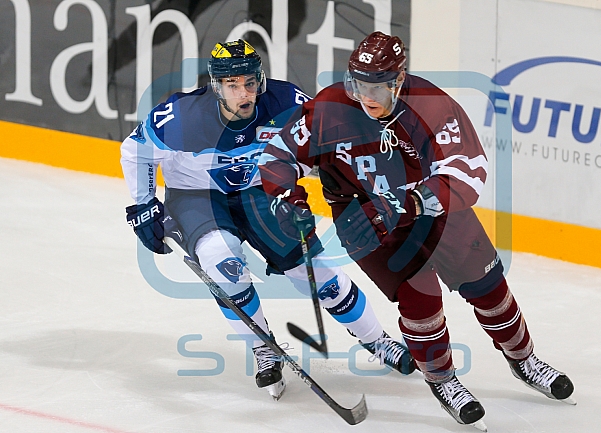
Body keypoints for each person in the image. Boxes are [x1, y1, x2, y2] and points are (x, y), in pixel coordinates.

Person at [259, 32, 575, 429]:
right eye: (357, 83)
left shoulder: (432, 106)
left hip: (434, 212)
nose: (365, 95)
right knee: (421, 300)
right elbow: (279, 156)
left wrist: (403, 203)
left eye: (376, 86)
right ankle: (443, 380)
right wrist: (289, 201)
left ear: (398, 78)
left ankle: (524, 360)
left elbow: (468, 171)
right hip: (364, 220)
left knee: (489, 288)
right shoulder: (330, 107)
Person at [120, 39, 414, 401]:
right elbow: (135, 151)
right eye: (233, 85)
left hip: (262, 192)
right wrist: (143, 205)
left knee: (317, 274)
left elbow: (318, 149)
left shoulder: (289, 103)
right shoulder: (181, 116)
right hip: (198, 198)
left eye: (250, 82)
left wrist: (296, 196)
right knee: (222, 264)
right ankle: (264, 349)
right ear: (216, 86)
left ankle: (376, 340)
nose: (245, 93)